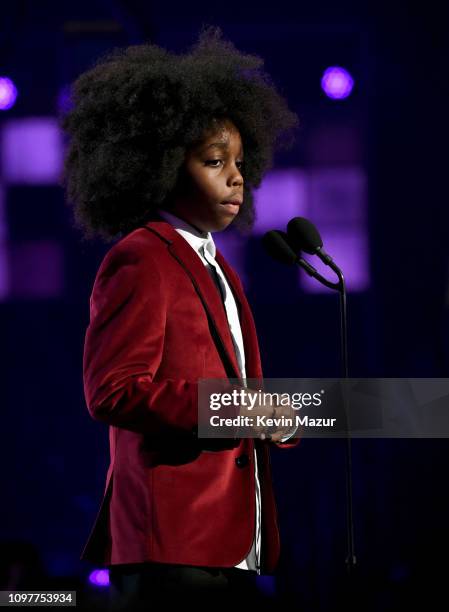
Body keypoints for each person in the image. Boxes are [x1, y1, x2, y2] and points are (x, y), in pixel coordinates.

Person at [60, 26, 299, 609]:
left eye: (240, 161)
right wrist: (230, 407)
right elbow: (113, 391)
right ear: (163, 165)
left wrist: (275, 417)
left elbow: (235, 399)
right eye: (215, 161)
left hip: (230, 542)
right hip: (171, 546)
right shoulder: (142, 257)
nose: (236, 176)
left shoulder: (220, 268)